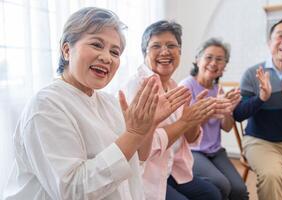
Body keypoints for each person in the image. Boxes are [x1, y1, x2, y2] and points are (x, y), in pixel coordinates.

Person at [2, 7, 191, 200]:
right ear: (67, 50)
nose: (107, 57)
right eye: (96, 45)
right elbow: (73, 191)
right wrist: (134, 134)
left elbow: (138, 158)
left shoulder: (109, 102)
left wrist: (148, 126)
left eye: (115, 52)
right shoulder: (46, 106)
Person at [123, 20, 230, 200]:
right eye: (156, 46)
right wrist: (185, 122)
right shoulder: (139, 87)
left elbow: (190, 138)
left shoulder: (173, 85)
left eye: (171, 45)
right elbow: (143, 149)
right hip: (144, 175)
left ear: (180, 52)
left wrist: (195, 118)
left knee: (212, 194)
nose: (165, 51)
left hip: (171, 168)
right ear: (144, 53)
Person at [234, 18, 282, 200]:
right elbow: (238, 114)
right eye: (280, 36)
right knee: (271, 176)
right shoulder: (253, 73)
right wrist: (261, 98)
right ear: (269, 43)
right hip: (261, 141)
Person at [179, 38, 249, 200]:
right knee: (222, 184)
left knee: (239, 189)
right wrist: (208, 111)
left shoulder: (218, 90)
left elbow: (227, 127)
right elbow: (184, 129)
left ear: (224, 67)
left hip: (215, 151)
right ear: (198, 60)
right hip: (192, 150)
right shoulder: (186, 86)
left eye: (219, 59)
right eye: (209, 57)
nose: (213, 63)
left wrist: (227, 110)